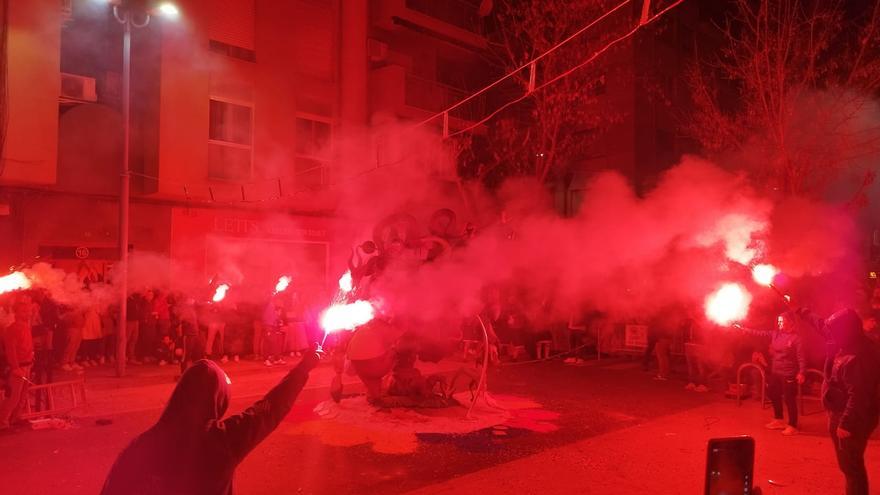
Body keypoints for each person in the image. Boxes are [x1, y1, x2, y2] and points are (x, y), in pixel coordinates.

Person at [100, 349, 320, 494]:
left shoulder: (142, 445)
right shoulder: (222, 441)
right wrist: (303, 369)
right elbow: (269, 410)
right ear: (217, 398)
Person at [822, 309, 880, 495]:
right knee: (851, 466)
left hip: (849, 419)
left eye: (835, 332)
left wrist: (846, 423)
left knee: (851, 467)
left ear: (845, 331)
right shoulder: (851, 345)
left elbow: (860, 395)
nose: (831, 335)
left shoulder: (858, 355)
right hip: (846, 413)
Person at [0, 294, 35, 430]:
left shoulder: (26, 326)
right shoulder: (12, 329)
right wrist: (15, 367)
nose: (27, 313)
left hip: (27, 365)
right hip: (18, 368)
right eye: (23, 311)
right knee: (13, 397)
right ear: (16, 313)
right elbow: (11, 350)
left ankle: (15, 419)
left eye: (27, 311)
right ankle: (2, 423)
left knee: (22, 396)